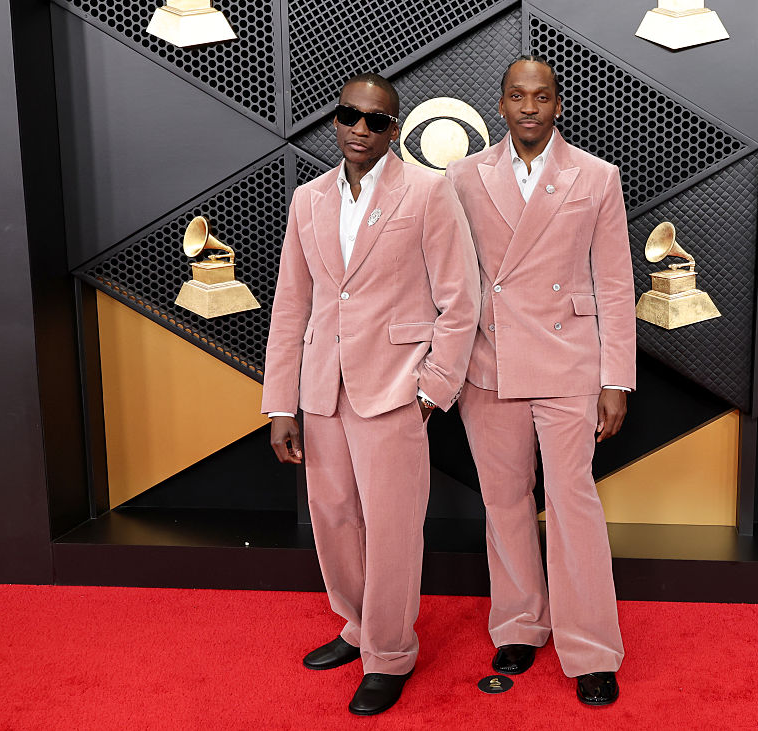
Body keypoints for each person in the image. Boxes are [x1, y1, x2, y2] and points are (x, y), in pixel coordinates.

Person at [262, 72, 479, 716]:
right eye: (350, 115)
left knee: (391, 529)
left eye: (376, 120)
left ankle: (390, 653)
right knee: (331, 519)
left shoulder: (428, 192)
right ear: (335, 120)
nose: (361, 129)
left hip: (394, 390)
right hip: (322, 388)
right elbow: (290, 307)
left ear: (395, 127)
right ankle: (356, 628)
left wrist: (433, 388)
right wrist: (281, 403)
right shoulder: (307, 200)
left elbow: (460, 301)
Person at [445, 56, 637, 706]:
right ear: (499, 104)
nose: (529, 106)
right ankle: (521, 622)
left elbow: (615, 282)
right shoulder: (462, 177)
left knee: (572, 500)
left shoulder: (596, 177)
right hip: (488, 360)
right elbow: (449, 278)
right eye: (517, 95)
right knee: (504, 500)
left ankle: (590, 648)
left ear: (558, 104)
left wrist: (618, 378)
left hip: (569, 358)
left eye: (542, 96)